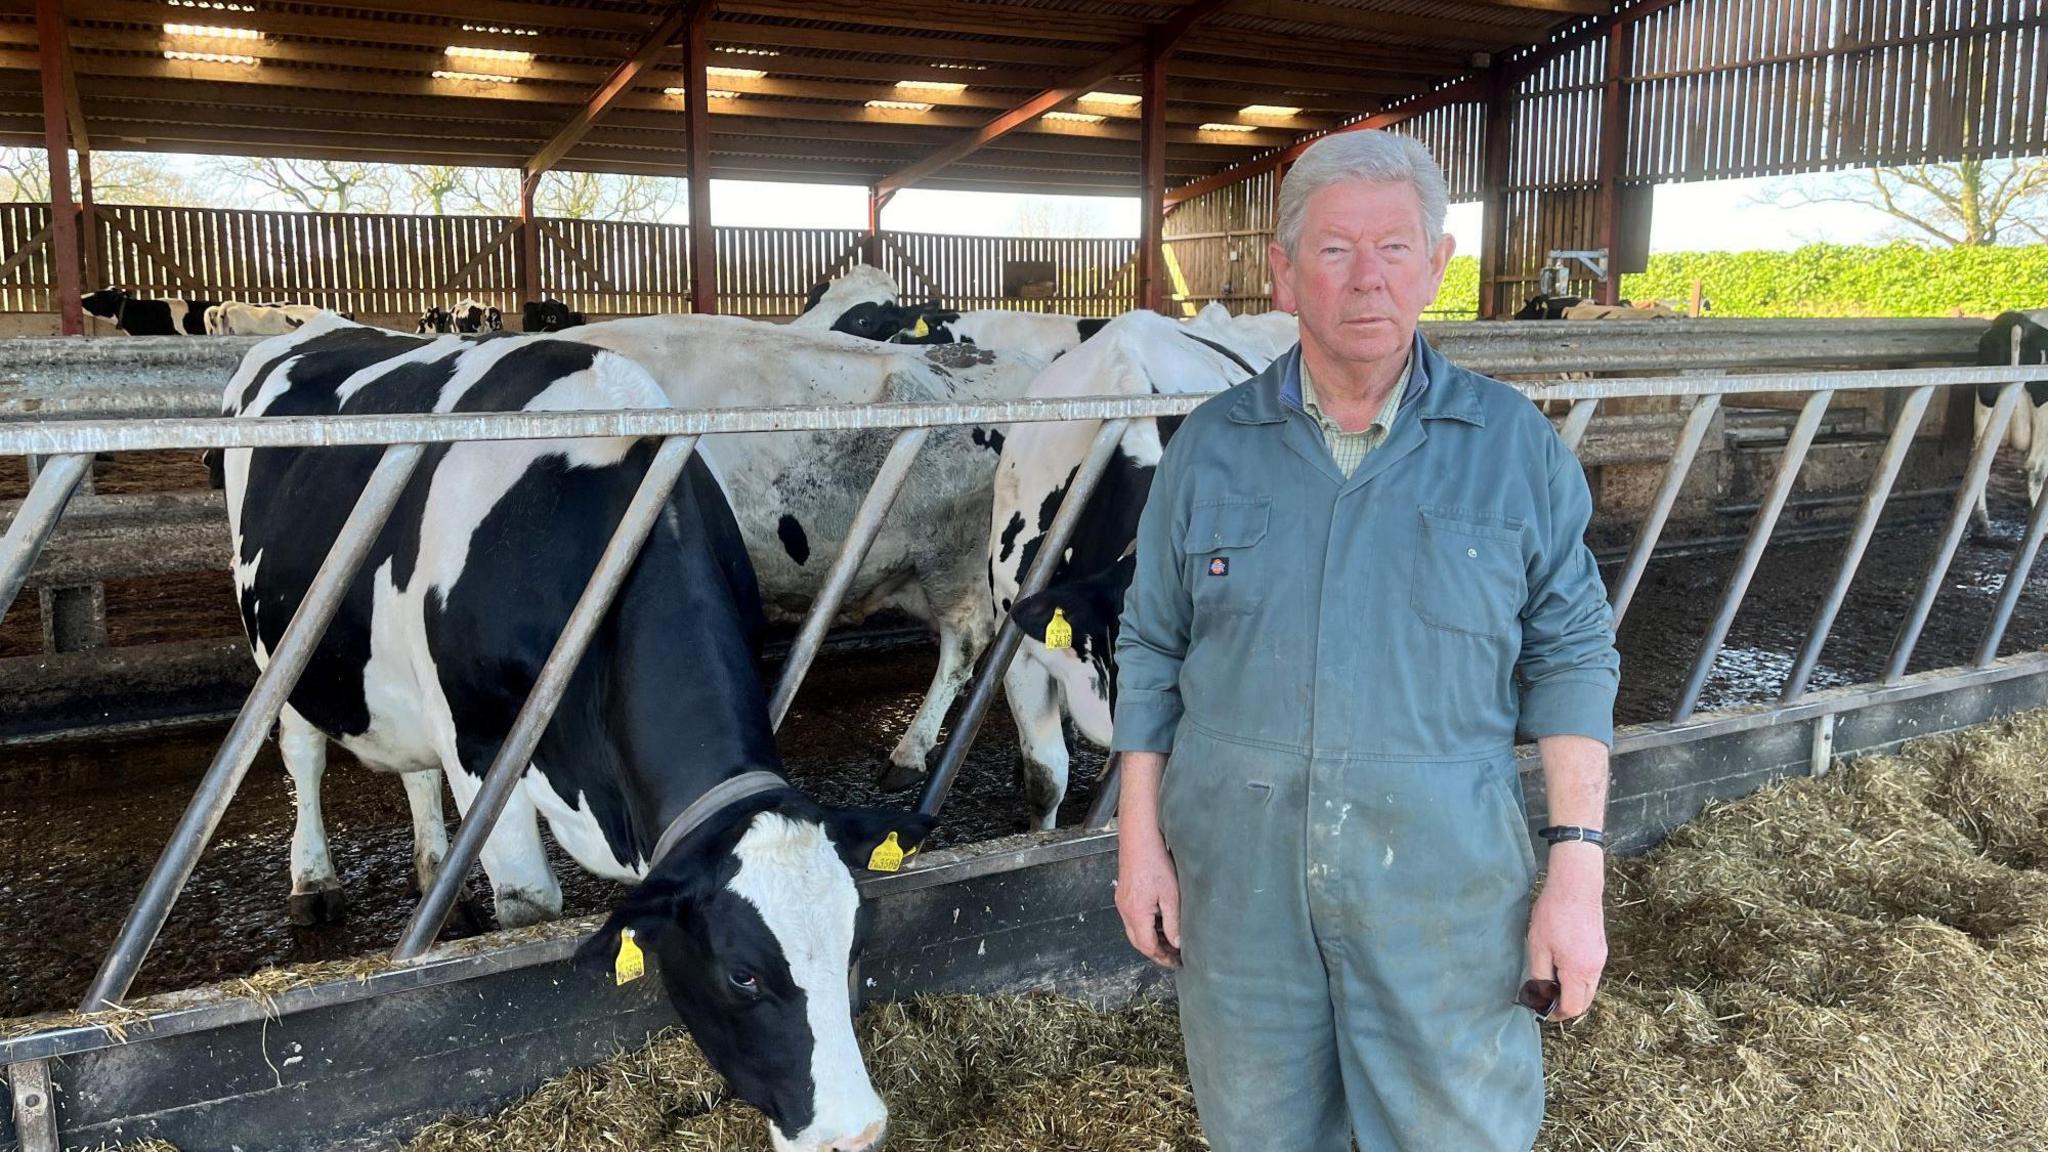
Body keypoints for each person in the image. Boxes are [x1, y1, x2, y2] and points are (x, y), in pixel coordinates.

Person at [1110, 129, 1620, 1152]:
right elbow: (1151, 648)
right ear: (1283, 273)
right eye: (1334, 248)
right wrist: (1135, 844)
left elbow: (1570, 659)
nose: (1366, 277)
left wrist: (1575, 875)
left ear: (1435, 265)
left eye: (1394, 247)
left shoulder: (1513, 449)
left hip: (1441, 897)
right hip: (1241, 892)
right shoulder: (1208, 449)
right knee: (1258, 1131)